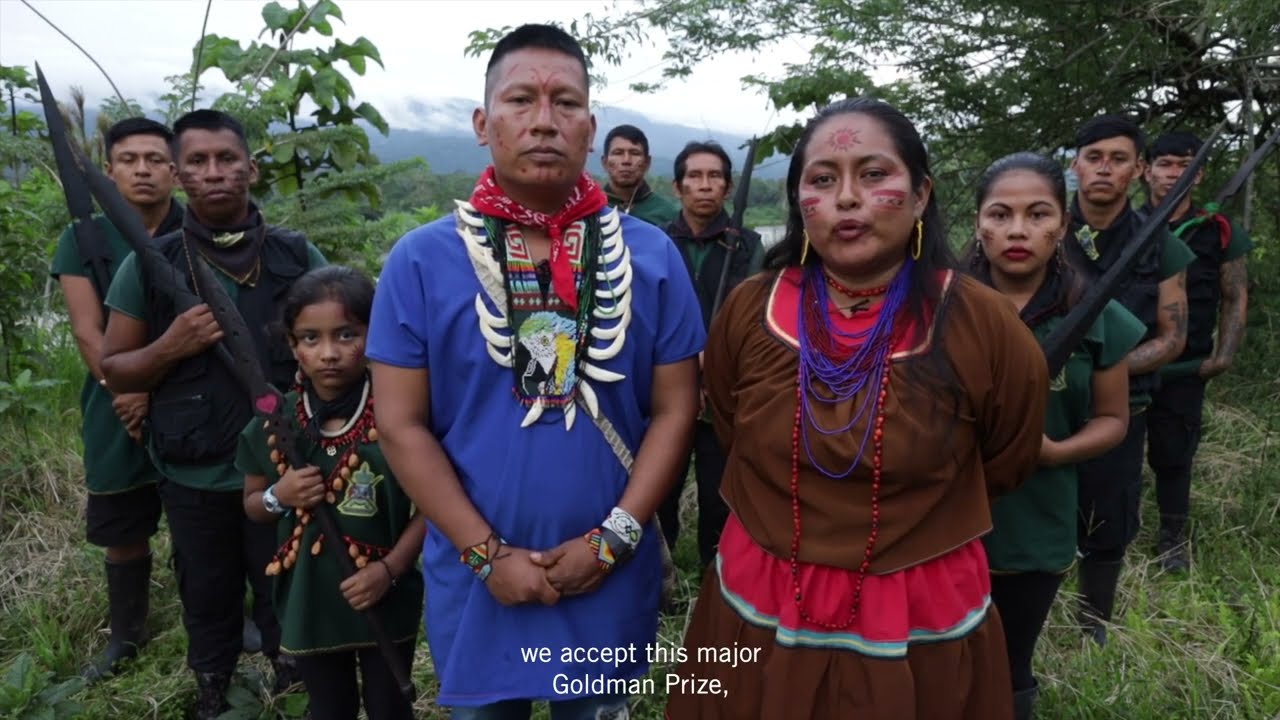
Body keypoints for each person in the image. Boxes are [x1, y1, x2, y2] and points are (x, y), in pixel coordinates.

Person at [666, 97, 1049, 720]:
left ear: (921, 195)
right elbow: (735, 432)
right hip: (761, 591)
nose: (846, 198)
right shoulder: (749, 310)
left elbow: (1005, 459)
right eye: (822, 179)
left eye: (873, 175)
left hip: (918, 605)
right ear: (799, 202)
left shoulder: (984, 325)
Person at [366, 24, 704, 719]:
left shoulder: (653, 257)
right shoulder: (419, 260)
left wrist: (612, 541)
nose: (545, 120)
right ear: (482, 123)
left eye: (566, 103)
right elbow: (399, 424)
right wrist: (486, 555)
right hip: (477, 581)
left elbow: (677, 409)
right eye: (521, 100)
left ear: (590, 128)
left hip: (611, 575)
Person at [100, 109, 327, 718]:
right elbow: (115, 369)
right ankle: (212, 687)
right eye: (197, 162)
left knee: (284, 580)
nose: (215, 172)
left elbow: (350, 339)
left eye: (227, 159)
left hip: (284, 466)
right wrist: (172, 345)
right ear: (178, 176)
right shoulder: (149, 265)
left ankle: (293, 678)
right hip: (194, 471)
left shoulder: (294, 255)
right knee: (205, 588)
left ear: (250, 168)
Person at [967, 152, 1145, 720]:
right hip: (941, 521)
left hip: (1037, 523)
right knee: (935, 659)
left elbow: (1113, 420)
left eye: (1038, 214)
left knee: (1010, 664)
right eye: (1000, 214)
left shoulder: (1096, 316)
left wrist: (1052, 452)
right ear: (978, 224)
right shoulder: (941, 309)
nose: (1018, 230)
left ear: (1064, 224)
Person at [238, 266, 424, 720]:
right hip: (310, 599)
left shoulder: (401, 415)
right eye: (310, 338)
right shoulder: (276, 423)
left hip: (385, 593)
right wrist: (280, 495)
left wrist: (390, 569)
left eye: (346, 335)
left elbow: (433, 507)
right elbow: (253, 505)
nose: (328, 354)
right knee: (328, 707)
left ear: (375, 334)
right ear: (291, 345)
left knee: (390, 706)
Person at [50, 117, 184, 682]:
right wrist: (127, 392)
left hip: (190, 393)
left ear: (174, 170)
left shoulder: (194, 228)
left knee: (205, 513)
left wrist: (153, 387)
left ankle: (227, 615)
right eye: (129, 160)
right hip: (113, 400)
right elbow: (89, 333)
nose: (142, 170)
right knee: (122, 522)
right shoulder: (83, 238)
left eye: (154, 159)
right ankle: (127, 633)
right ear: (109, 171)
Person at [1063, 115, 1193, 644]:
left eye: (1118, 159)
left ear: (1138, 170)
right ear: (1075, 165)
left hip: (1121, 409)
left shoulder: (1160, 243)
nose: (1104, 169)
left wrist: (1104, 373)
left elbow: (1172, 336)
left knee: (1107, 522)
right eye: (1093, 157)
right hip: (1042, 404)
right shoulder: (1042, 227)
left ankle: (1092, 628)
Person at [1142, 132, 1253, 572]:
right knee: (1112, 455)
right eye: (1166, 164)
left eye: (1185, 165)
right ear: (1146, 170)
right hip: (1124, 366)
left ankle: (1172, 541)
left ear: (1199, 173)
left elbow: (1235, 294)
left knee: (1174, 454)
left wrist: (1224, 355)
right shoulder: (1125, 226)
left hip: (1186, 367)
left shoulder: (1218, 229)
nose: (1175, 174)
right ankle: (1104, 533)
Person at [658, 140, 765, 568]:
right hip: (665, 391)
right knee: (660, 489)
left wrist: (716, 368)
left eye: (714, 176)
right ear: (678, 186)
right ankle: (659, 577)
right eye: (695, 176)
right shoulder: (657, 243)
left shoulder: (749, 246)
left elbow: (755, 321)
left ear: (728, 187)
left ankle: (716, 581)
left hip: (724, 394)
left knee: (719, 494)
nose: (705, 185)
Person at [601, 123, 679, 227]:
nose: (626, 160)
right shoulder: (592, 209)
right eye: (618, 153)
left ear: (647, 162)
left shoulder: (668, 214)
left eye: (635, 153)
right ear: (605, 162)